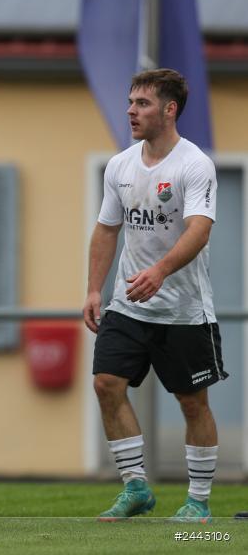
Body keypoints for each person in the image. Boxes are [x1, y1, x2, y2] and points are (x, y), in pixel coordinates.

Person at [83, 68, 225, 522]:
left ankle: (198, 502)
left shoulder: (194, 164)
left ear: (170, 110)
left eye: (142, 103)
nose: (131, 111)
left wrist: (161, 272)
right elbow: (107, 230)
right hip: (128, 304)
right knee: (106, 383)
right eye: (130, 102)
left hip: (184, 311)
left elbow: (199, 230)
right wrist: (92, 289)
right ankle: (136, 487)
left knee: (192, 402)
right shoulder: (120, 166)